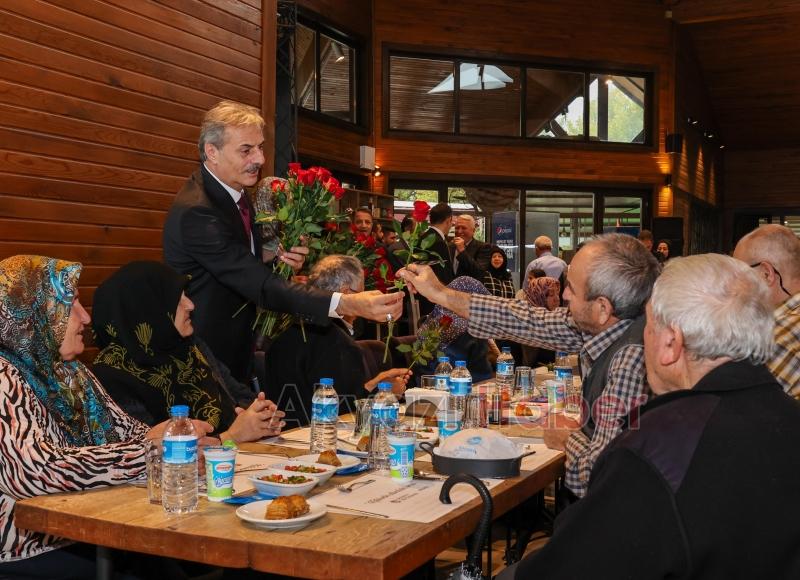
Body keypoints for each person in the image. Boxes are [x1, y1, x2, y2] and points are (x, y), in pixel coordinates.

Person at [499, 254, 800, 579]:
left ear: (671, 343)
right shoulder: (786, 413)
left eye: (648, 326)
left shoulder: (656, 449)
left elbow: (574, 566)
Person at [399, 233, 659, 499]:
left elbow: (600, 476)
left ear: (603, 308)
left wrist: (568, 439)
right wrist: (439, 293)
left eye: (571, 287)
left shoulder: (630, 360)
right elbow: (525, 319)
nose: (565, 294)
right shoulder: (606, 326)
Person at [0, 255, 216, 576]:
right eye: (70, 304)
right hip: (28, 545)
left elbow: (131, 432)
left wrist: (174, 441)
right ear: (34, 315)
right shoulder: (5, 377)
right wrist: (151, 452)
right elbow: (35, 472)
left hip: (88, 528)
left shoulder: (72, 372)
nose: (85, 317)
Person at [162, 101, 402, 384]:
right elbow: (259, 285)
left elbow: (241, 264)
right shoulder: (198, 211)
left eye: (260, 147)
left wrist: (274, 259)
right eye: (246, 150)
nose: (260, 159)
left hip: (233, 352)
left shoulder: (233, 193)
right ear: (212, 152)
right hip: (205, 356)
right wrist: (348, 303)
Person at [91, 261, 285, 445]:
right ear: (148, 310)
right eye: (178, 299)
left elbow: (236, 392)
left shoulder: (190, 347)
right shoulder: (111, 376)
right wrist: (232, 436)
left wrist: (259, 413)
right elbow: (149, 450)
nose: (190, 305)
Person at [264, 256, 410, 428]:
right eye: (363, 291)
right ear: (347, 294)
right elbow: (344, 415)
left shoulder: (286, 331)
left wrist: (373, 385)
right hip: (315, 439)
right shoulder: (336, 341)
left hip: (280, 434)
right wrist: (385, 393)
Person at [733, 224, 800, 397]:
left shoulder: (777, 339)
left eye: (739, 275)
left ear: (766, 274)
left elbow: (743, 411)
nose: (733, 286)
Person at [414, 277, 493, 384]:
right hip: (448, 389)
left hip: (431, 390)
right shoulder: (470, 334)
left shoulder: (431, 325)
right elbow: (483, 382)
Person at [520, 276, 561, 367]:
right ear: (538, 296)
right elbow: (528, 365)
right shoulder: (529, 322)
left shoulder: (556, 320)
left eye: (557, 294)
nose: (557, 299)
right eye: (551, 295)